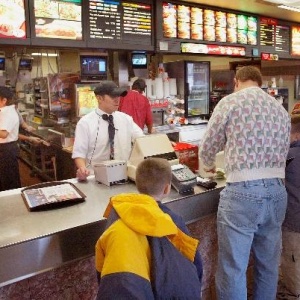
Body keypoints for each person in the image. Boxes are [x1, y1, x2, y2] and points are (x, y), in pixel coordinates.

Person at [199, 66, 291, 299]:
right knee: (268, 266)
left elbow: (209, 144)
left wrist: (207, 165)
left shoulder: (230, 102)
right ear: (259, 82)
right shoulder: (279, 108)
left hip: (243, 192)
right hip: (278, 191)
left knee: (233, 269)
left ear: (236, 81)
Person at [95, 157, 203, 299]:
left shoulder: (114, 224)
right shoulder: (173, 224)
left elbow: (102, 271)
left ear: (137, 184)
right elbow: (194, 265)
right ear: (167, 188)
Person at [72, 80, 144, 181]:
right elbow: (79, 153)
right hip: (96, 178)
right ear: (99, 98)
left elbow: (142, 140)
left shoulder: (126, 119)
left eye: (118, 96)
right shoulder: (85, 123)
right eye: (113, 96)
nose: (117, 100)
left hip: (124, 175)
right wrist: (82, 169)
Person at [281, 114, 300, 296]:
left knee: (292, 260)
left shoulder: (289, 157)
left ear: (296, 136)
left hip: (294, 221)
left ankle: (294, 295)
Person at [0, 86, 21, 191]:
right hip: (4, 148)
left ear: (4, 100)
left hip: (7, 150)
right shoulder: (4, 111)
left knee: (9, 180)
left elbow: (3, 134)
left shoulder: (8, 113)